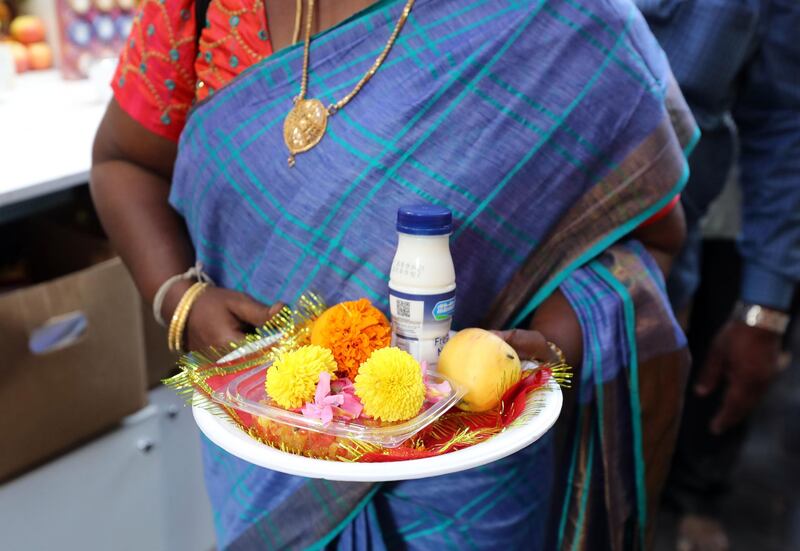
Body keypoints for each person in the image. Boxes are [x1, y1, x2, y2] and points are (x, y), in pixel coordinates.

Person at [91, 0, 697, 548]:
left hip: (463, 479)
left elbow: (651, 233)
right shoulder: (199, 11)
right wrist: (181, 300)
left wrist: (549, 346)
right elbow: (123, 162)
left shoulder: (558, 19)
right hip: (267, 466)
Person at [636, 2, 800, 548]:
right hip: (493, 260)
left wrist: (765, 310)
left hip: (655, 278)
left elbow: (781, 118)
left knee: (619, 490)